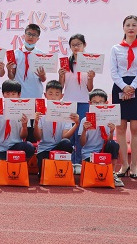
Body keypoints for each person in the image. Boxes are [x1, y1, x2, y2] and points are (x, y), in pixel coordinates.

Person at [109, 15, 137, 179]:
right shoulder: (116, 48)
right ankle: (124, 164)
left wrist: (132, 88)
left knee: (135, 128)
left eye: (134, 25)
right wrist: (124, 87)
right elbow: (114, 72)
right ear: (123, 28)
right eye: (128, 25)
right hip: (120, 87)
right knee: (120, 128)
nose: (131, 28)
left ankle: (134, 165)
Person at [0, 80, 35, 181]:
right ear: (3, 94)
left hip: (15, 147)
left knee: (29, 147)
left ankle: (20, 163)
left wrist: (24, 126)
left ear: (19, 95)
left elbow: (23, 136)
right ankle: (4, 165)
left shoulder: (23, 111)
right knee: (1, 176)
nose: (10, 96)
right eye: (7, 93)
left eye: (13, 94)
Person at [59, 33, 95, 165]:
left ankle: (78, 161)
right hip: (68, 101)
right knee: (69, 132)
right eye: (73, 45)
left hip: (83, 101)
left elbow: (90, 88)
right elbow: (61, 86)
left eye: (78, 44)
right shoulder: (65, 63)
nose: (76, 47)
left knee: (80, 132)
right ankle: (67, 161)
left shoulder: (89, 63)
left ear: (84, 45)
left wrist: (91, 78)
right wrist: (60, 76)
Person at [7, 24, 47, 142]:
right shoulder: (15, 53)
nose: (31, 37)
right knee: (19, 125)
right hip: (19, 95)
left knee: (33, 126)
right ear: (24, 35)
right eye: (29, 34)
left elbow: (43, 79)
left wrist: (42, 75)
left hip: (35, 94)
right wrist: (9, 70)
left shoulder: (41, 55)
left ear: (38, 38)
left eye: (34, 35)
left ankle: (31, 150)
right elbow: (11, 77)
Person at [78, 89, 123, 187]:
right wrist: (84, 130)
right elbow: (82, 143)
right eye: (94, 102)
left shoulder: (109, 120)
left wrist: (111, 132)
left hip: (103, 151)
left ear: (106, 103)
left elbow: (109, 141)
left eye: (100, 102)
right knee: (93, 174)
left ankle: (112, 172)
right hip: (89, 154)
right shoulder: (85, 120)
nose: (97, 105)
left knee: (114, 144)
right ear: (90, 103)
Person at [33, 80, 79, 175]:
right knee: (44, 174)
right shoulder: (41, 113)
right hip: (44, 149)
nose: (53, 97)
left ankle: (64, 166)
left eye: (57, 94)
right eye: (50, 94)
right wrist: (36, 123)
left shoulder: (66, 113)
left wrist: (76, 124)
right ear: (45, 95)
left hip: (58, 148)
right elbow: (38, 137)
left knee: (66, 143)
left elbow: (65, 136)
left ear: (62, 96)